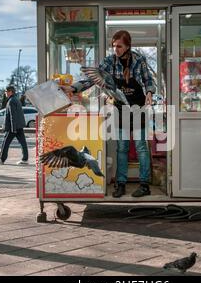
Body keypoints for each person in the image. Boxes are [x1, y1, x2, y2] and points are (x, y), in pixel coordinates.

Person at [62, 30, 155, 198]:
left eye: (119, 46)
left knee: (141, 147)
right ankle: (120, 184)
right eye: (114, 46)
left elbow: (148, 80)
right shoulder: (108, 62)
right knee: (122, 148)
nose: (116, 49)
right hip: (120, 109)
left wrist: (149, 92)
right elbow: (92, 79)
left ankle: (144, 184)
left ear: (127, 46)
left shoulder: (139, 60)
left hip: (138, 108)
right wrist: (73, 88)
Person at [0, 86, 29, 165]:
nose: (5, 93)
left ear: (10, 92)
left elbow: (13, 115)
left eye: (6, 91)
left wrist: (13, 128)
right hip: (19, 126)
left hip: (13, 127)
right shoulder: (16, 100)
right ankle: (25, 159)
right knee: (23, 142)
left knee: (5, 143)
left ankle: (1, 159)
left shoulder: (11, 101)